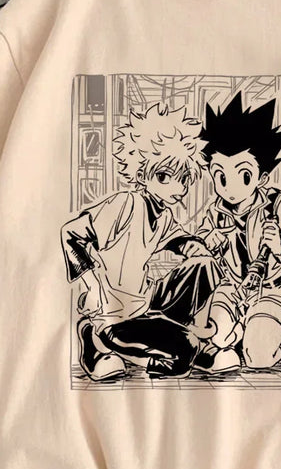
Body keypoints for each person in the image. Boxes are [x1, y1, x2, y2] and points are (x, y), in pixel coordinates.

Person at [60, 102, 220, 381]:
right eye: (165, 176)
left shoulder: (163, 214)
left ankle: (190, 341)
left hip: (145, 306)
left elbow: (180, 239)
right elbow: (71, 234)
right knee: (184, 352)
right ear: (142, 173)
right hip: (113, 315)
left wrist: (198, 248)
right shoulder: (125, 203)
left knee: (204, 265)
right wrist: (92, 286)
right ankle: (94, 337)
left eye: (184, 179)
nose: (179, 187)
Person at [195, 91, 281, 373]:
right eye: (220, 176)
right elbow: (198, 251)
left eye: (243, 175)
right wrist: (208, 242)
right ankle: (242, 330)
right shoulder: (215, 211)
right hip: (232, 289)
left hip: (273, 289)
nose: (230, 187)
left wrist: (279, 249)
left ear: (261, 177)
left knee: (257, 357)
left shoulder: (276, 204)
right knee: (215, 336)